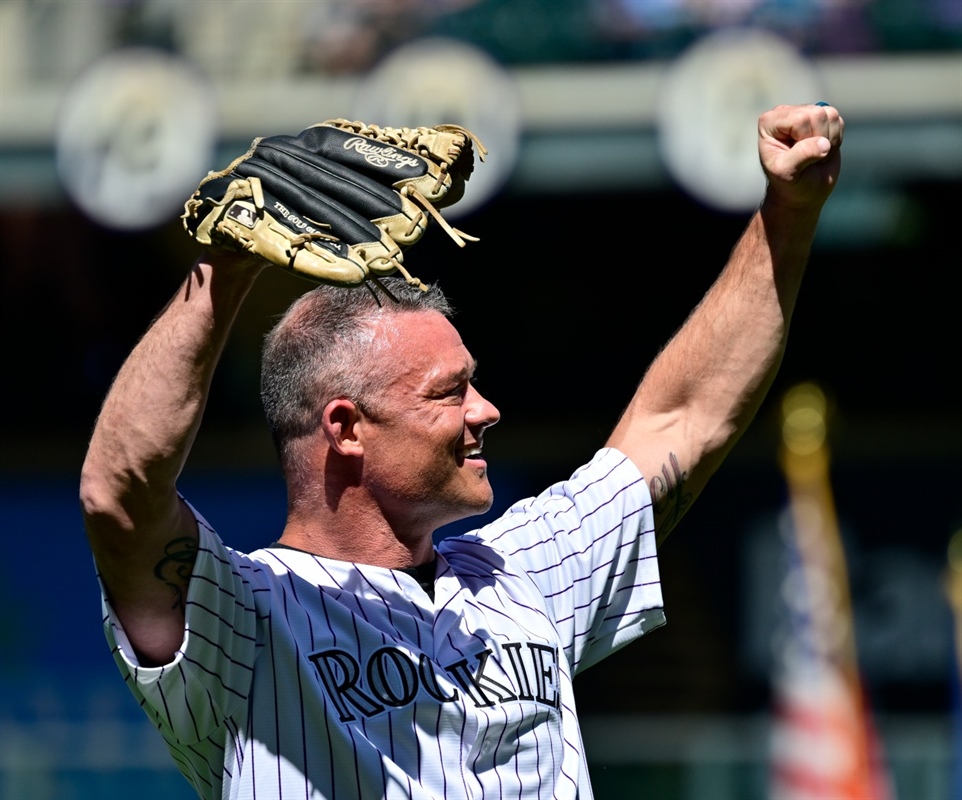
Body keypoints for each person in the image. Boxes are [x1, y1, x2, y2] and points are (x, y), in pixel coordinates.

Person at [80, 103, 843, 799]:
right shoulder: (242, 617)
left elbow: (685, 417)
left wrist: (789, 213)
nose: (486, 410)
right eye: (449, 393)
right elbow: (118, 493)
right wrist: (227, 268)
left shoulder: (519, 574)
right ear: (345, 428)